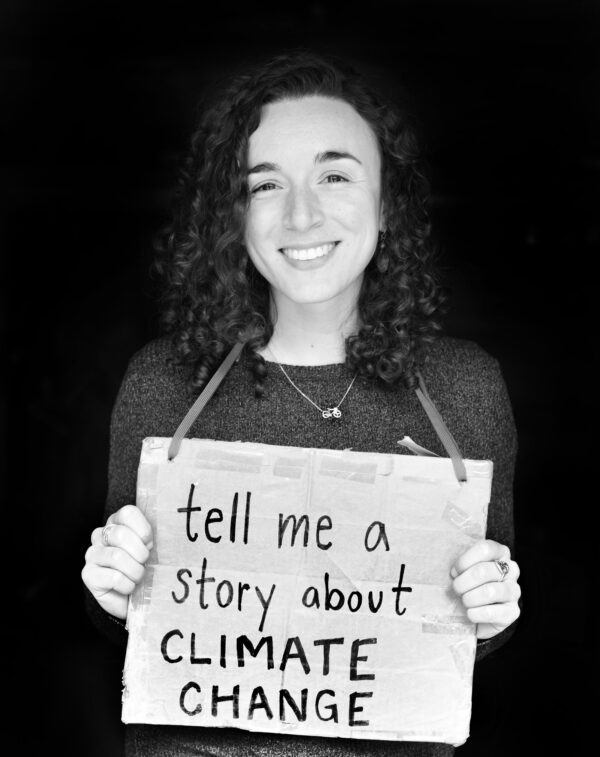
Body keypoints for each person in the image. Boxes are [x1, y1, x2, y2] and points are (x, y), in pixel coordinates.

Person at [82, 51, 521, 756]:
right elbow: (134, 626)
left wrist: (495, 607)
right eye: (264, 185)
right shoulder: (163, 383)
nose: (302, 213)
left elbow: (466, 640)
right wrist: (109, 586)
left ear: (386, 203)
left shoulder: (465, 387)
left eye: (335, 175)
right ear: (234, 215)